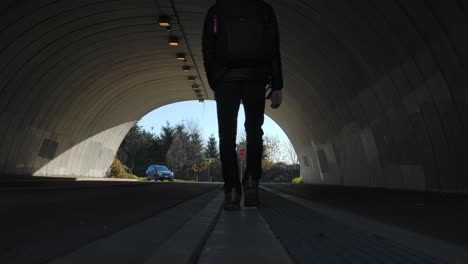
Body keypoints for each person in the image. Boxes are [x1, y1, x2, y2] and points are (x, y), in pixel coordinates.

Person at [202, 0, 283, 210]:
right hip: (255, 78)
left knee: (226, 135)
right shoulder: (264, 10)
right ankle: (251, 183)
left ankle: (232, 190)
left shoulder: (217, 10)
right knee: (255, 131)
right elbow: (273, 48)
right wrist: (276, 85)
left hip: (225, 80)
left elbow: (208, 49)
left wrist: (215, 80)